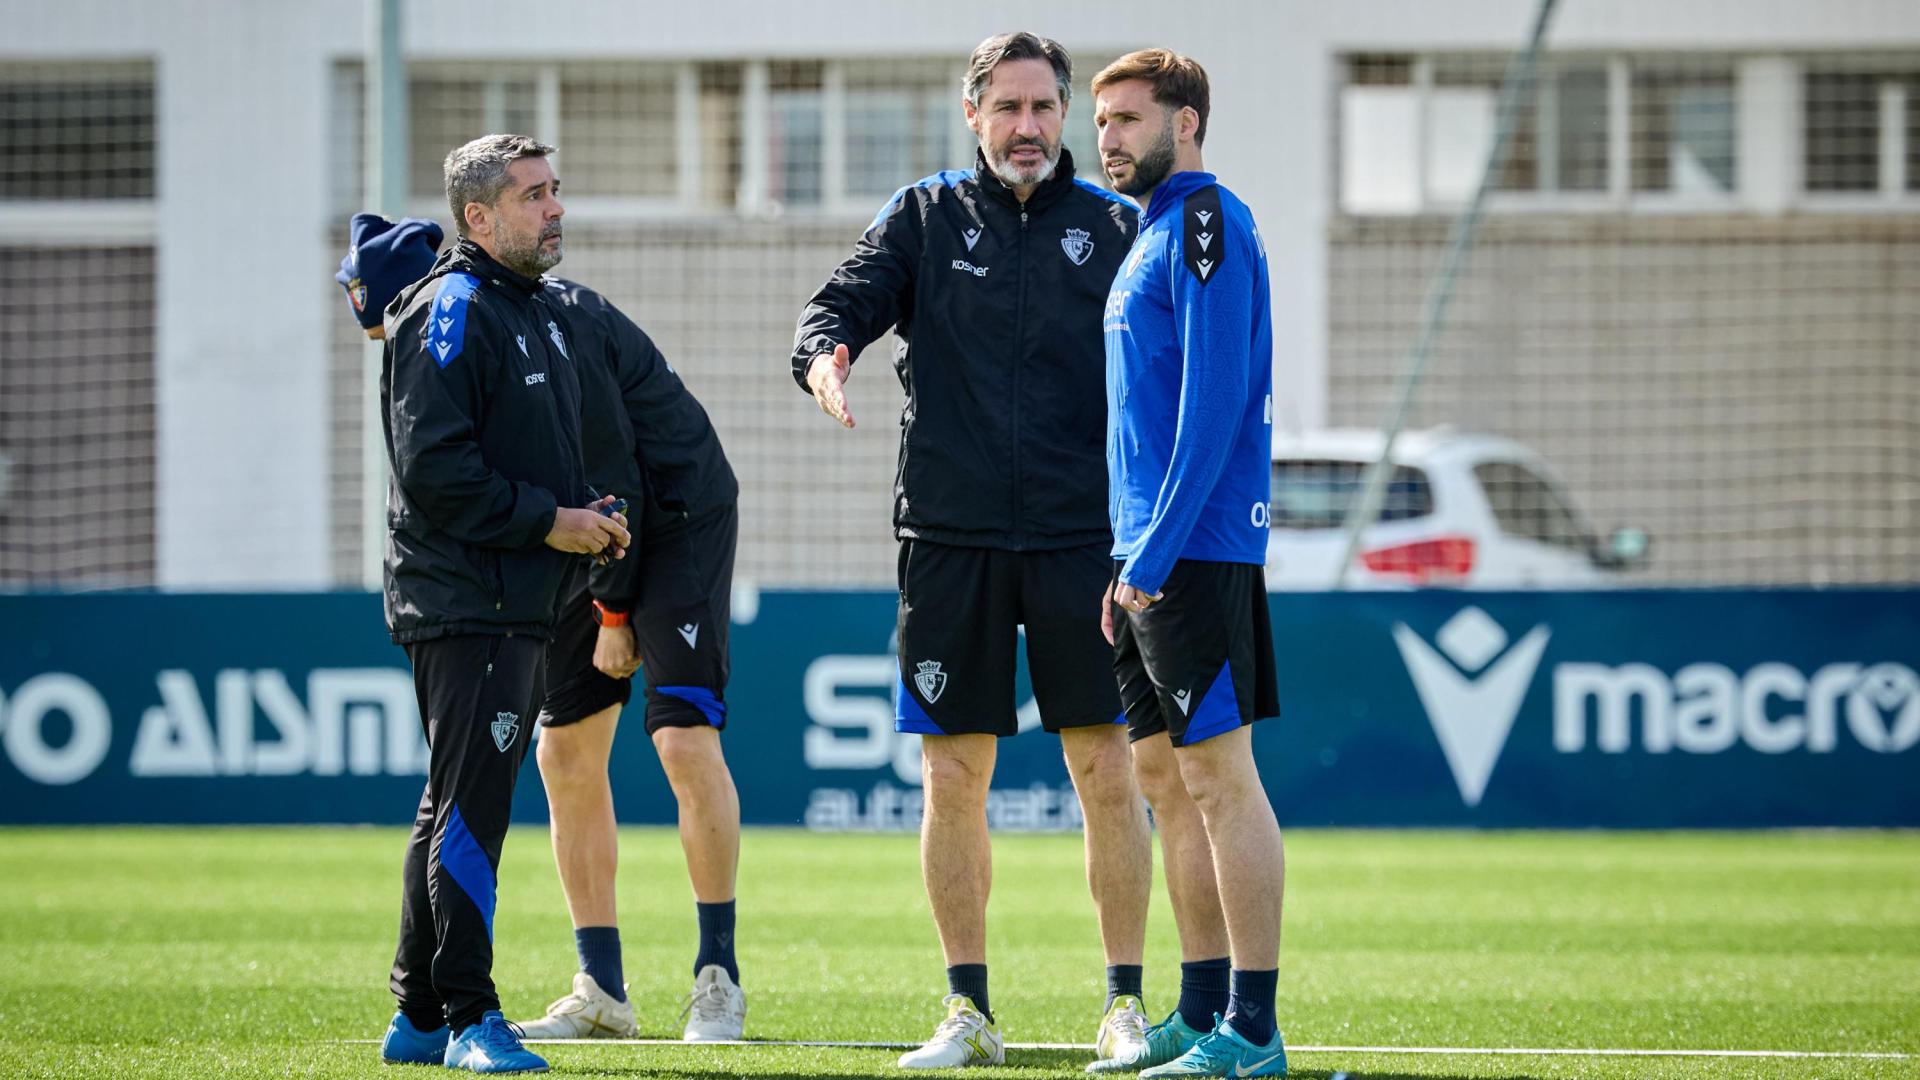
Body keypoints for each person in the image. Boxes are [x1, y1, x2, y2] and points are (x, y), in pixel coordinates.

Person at [791, 31, 1152, 1071]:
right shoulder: (922, 215)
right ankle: (967, 1012)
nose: (1028, 128)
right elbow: (840, 301)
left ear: (1067, 114)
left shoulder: (1116, 226)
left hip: (1088, 539)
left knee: (1104, 770)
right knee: (953, 775)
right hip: (950, 536)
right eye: (1009, 108)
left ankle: (1124, 1006)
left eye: (1045, 108)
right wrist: (826, 355)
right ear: (974, 114)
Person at [340, 217, 748, 1043]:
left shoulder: (540, 324)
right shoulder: (460, 326)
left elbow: (612, 475)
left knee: (680, 741)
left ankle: (717, 976)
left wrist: (615, 612)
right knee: (562, 752)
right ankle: (601, 988)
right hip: (574, 534)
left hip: (672, 515)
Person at [371, 133, 630, 1075]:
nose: (554, 208)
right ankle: (475, 1018)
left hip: (511, 598)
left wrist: (583, 517)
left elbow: (521, 463)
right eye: (532, 196)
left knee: (451, 801)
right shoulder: (451, 311)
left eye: (555, 191)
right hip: (468, 603)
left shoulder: (530, 310)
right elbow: (435, 472)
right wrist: (548, 520)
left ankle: (419, 1015)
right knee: (474, 808)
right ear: (477, 218)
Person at [1090, 51, 1288, 1078]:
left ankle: (1253, 1032)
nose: (1108, 138)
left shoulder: (1210, 222)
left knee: (1219, 779)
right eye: (1104, 121)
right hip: (1147, 553)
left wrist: (1158, 551)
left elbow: (1212, 407)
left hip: (1196, 551)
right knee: (1164, 779)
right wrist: (1124, 556)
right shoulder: (1148, 233)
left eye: (1128, 119)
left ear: (1188, 121)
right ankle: (1200, 1007)